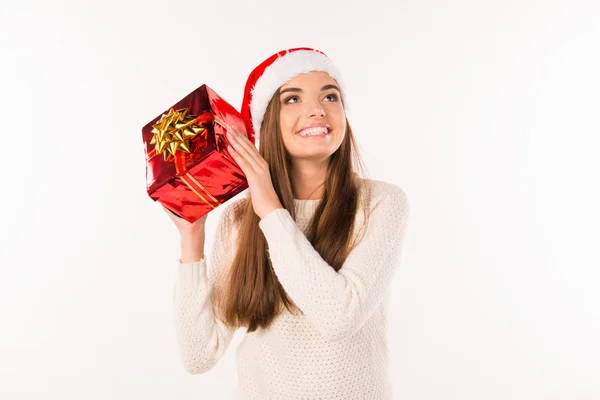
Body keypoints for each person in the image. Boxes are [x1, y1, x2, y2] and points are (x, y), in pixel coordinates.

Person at [164, 47, 410, 400]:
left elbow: (338, 317)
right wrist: (191, 238)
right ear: (266, 123)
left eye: (330, 96)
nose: (317, 109)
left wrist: (270, 209)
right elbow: (198, 355)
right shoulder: (239, 222)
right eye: (293, 98)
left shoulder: (381, 204)